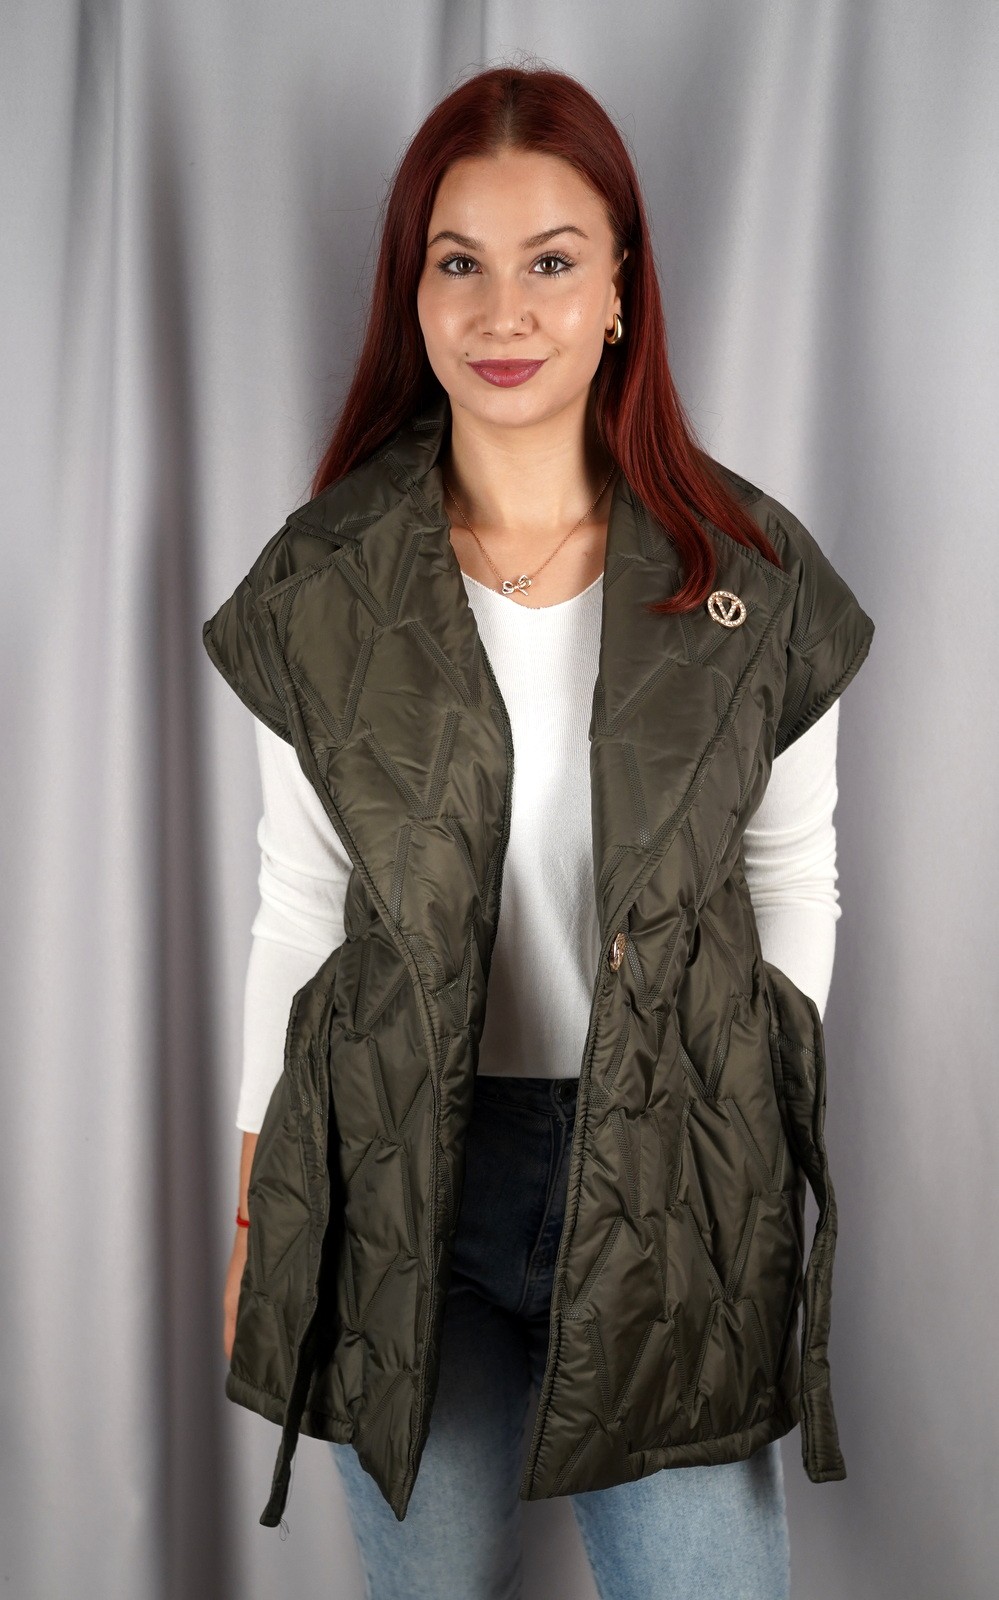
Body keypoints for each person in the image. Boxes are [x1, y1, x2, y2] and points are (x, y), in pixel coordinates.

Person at [207, 62, 874, 1600]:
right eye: (462, 263)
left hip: (672, 1179)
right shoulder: (325, 586)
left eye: (552, 262)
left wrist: (731, 1114)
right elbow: (300, 908)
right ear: (415, 291)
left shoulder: (749, 573)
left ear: (622, 290)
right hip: (403, 1190)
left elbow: (795, 880)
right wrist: (261, 1205)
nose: (505, 311)